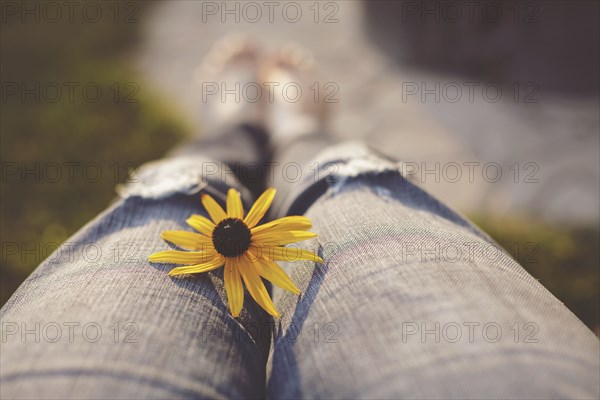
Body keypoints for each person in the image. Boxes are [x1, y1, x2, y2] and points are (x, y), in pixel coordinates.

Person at [1, 36, 598, 399]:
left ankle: (237, 133)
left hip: (234, 247)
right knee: (348, 193)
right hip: (235, 250)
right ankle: (301, 135)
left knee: (173, 199)